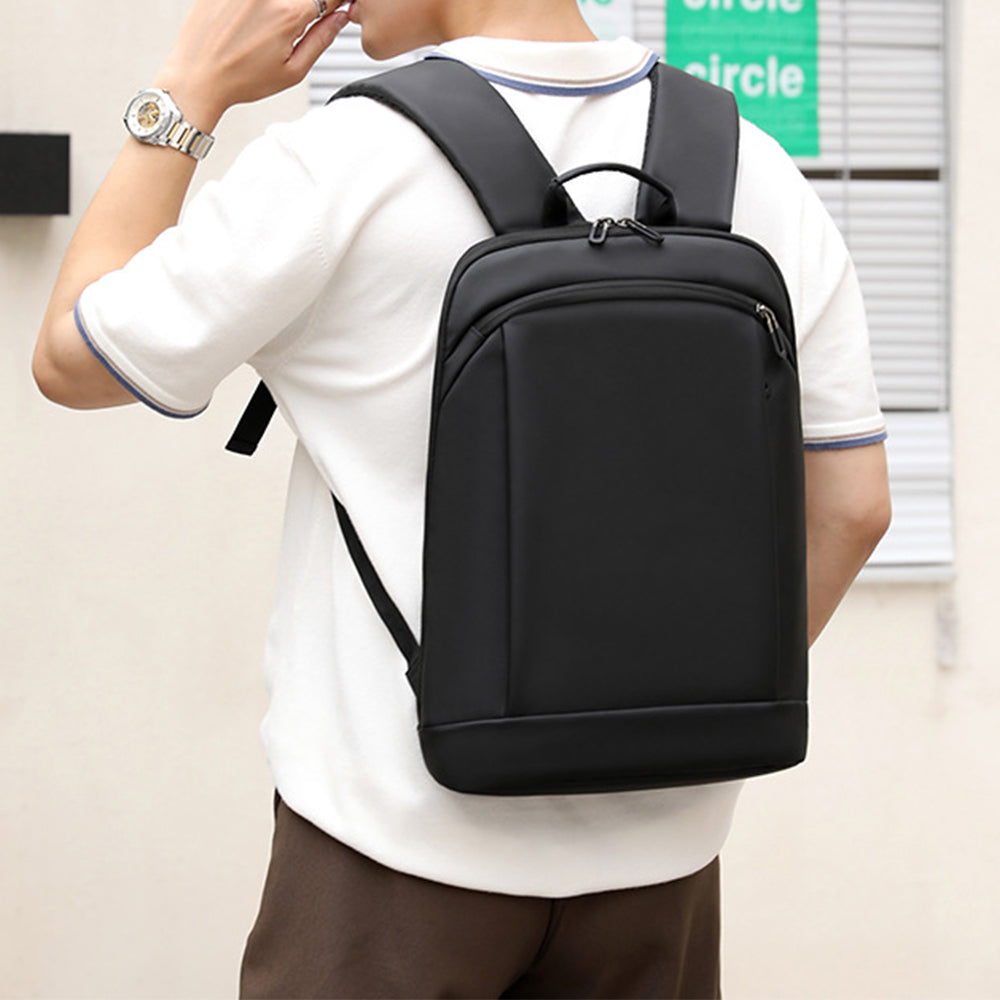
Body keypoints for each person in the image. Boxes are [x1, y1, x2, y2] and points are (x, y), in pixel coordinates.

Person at [33, 0, 892, 995]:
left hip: (394, 862)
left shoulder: (343, 162)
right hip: (662, 864)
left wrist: (188, 90)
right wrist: (669, 700)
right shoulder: (754, 165)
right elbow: (853, 506)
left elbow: (72, 357)